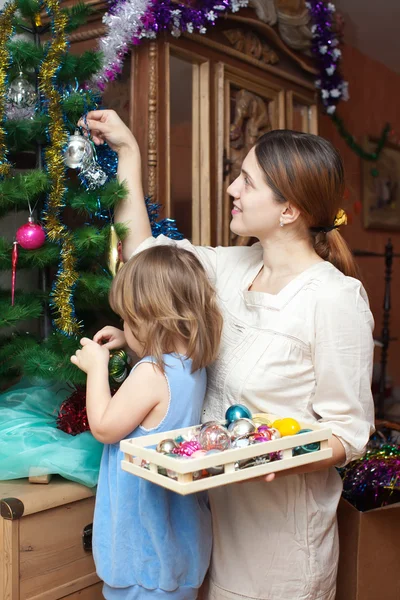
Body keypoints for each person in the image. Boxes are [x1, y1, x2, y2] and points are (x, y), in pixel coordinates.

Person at [79, 110, 375, 600]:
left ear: (289, 210)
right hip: (207, 529)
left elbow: (348, 434)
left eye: (247, 181)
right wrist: (128, 153)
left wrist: (273, 457)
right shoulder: (234, 267)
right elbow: (147, 258)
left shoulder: (335, 299)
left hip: (278, 549)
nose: (232, 189)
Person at [70, 244, 223, 600]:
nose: (124, 324)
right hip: (178, 549)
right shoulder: (191, 364)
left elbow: (105, 426)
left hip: (144, 553)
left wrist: (97, 369)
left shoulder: (150, 373)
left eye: (128, 319)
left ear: (150, 320)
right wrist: (132, 340)